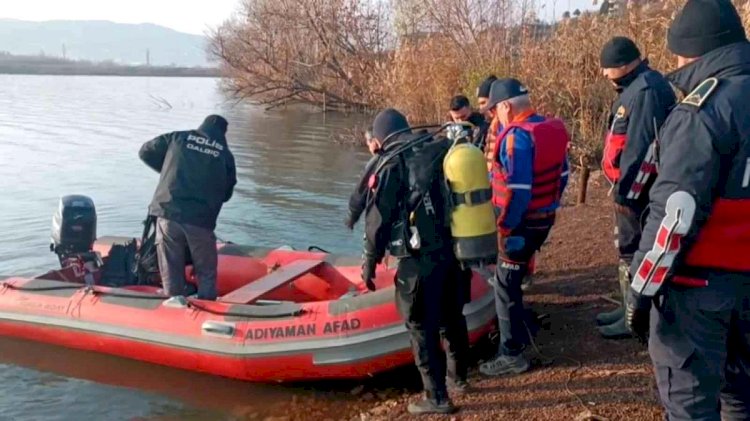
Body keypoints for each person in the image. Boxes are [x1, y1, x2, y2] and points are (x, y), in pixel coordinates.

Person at [626, 1, 750, 419]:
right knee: (742, 398)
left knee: (691, 406)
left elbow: (675, 214)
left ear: (692, 51)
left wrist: (641, 291)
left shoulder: (703, 110)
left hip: (698, 290)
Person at [359, 108, 469, 414]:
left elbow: (377, 221)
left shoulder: (392, 162)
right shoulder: (440, 148)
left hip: (418, 260)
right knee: (452, 317)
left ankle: (436, 397)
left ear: (382, 138)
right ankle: (459, 378)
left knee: (420, 325)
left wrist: (369, 261)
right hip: (453, 250)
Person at [478, 78, 570, 376]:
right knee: (515, 278)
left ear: (505, 106)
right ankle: (520, 327)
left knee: (505, 282)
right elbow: (564, 175)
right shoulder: (550, 129)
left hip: (522, 226)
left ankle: (511, 355)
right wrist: (549, 207)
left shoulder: (516, 137)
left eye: (495, 111)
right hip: (544, 220)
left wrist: (505, 227)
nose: (495, 118)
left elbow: (518, 190)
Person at [596, 36, 676, 339]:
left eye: (607, 68)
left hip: (639, 193)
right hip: (627, 187)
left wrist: (627, 194)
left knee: (635, 250)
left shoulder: (646, 90)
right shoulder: (635, 87)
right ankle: (626, 306)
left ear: (625, 64)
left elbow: (643, 148)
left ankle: (635, 318)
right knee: (626, 250)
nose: (604, 74)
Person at [139, 115, 237, 301]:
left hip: (168, 212)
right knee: (206, 269)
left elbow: (145, 151)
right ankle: (207, 303)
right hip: (200, 220)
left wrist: (169, 170)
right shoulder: (225, 154)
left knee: (170, 264)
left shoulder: (178, 138)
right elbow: (227, 193)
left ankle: (173, 302)